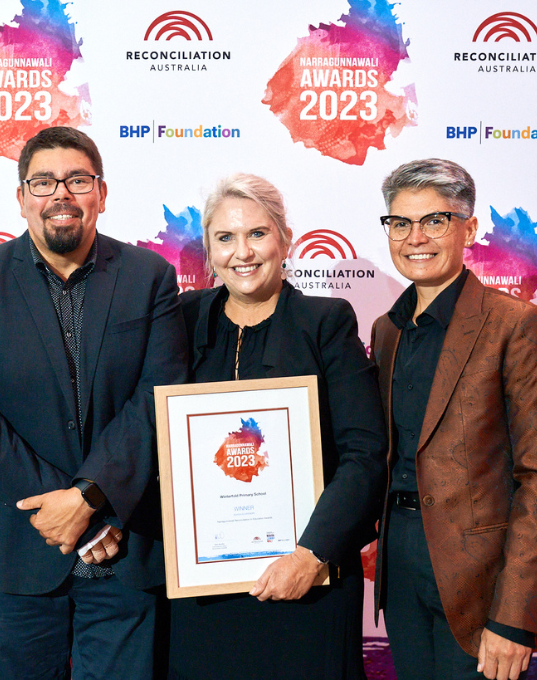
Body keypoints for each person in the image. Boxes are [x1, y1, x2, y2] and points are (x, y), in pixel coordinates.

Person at [0, 126, 189, 679]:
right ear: (22, 197)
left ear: (101, 192)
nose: (61, 194)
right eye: (43, 182)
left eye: (77, 179)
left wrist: (92, 498)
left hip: (124, 554)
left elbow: (158, 399)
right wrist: (66, 509)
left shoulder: (149, 278)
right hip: (22, 556)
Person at [168, 173, 387, 680]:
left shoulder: (326, 321)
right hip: (203, 590)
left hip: (308, 580)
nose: (242, 252)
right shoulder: (179, 321)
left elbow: (364, 453)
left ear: (285, 239)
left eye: (257, 234)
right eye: (225, 238)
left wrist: (312, 554)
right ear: (208, 250)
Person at [371, 159, 537, 680]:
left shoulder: (515, 324)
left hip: (480, 580)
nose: (415, 237)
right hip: (398, 570)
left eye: (434, 221)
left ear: (469, 227)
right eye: (400, 222)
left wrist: (515, 618)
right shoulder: (385, 330)